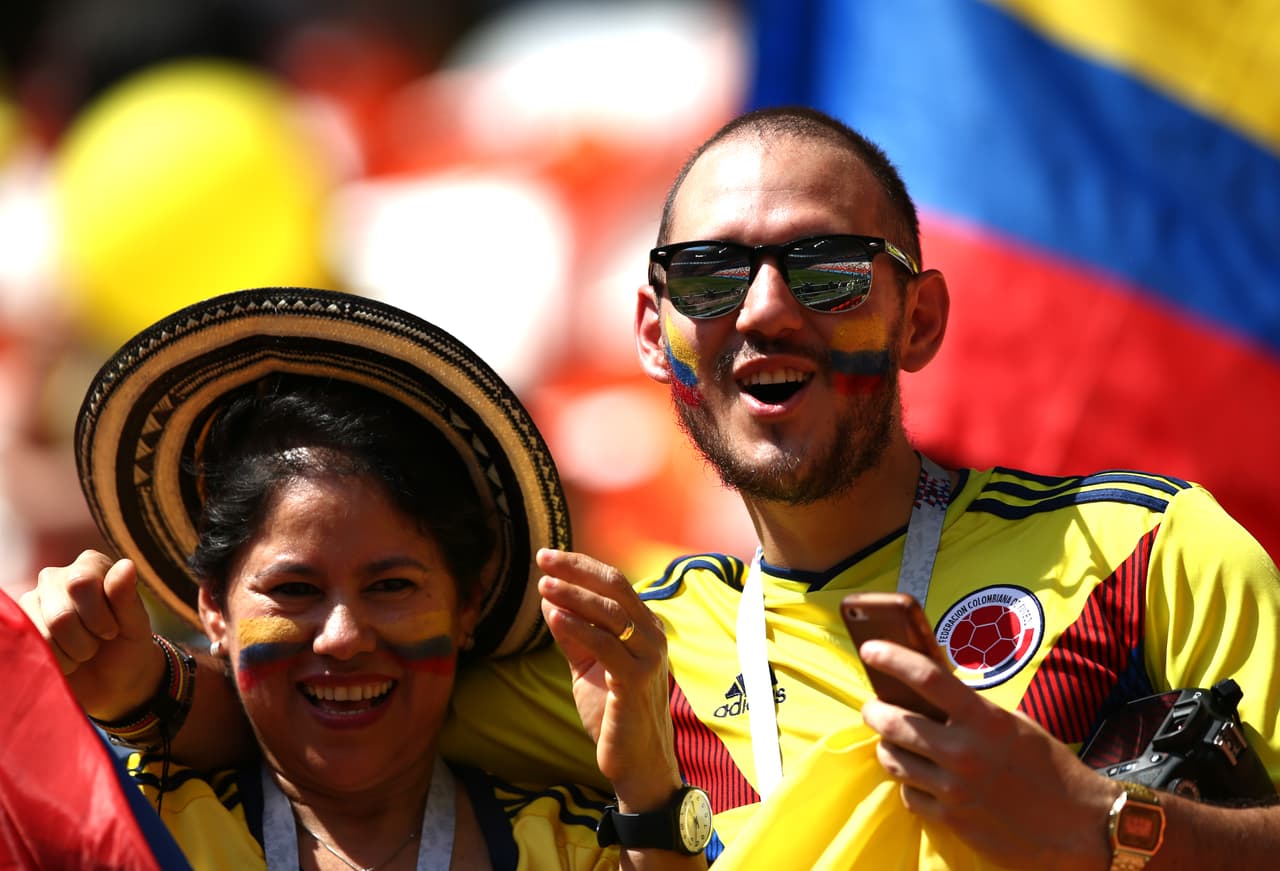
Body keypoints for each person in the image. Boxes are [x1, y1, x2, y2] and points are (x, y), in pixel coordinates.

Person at [29, 108, 1280, 869]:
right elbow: (322, 698)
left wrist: (1106, 831)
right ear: (651, 329)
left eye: (830, 268)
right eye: (710, 276)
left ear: (919, 318)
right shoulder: (622, 655)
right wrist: (132, 678)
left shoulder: (1147, 551)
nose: (767, 313)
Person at [18, 286, 706, 870]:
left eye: (391, 586)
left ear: (467, 603)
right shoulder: (121, 827)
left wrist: (647, 782)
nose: (343, 637)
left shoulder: (569, 846)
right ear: (213, 611)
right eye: (294, 590)